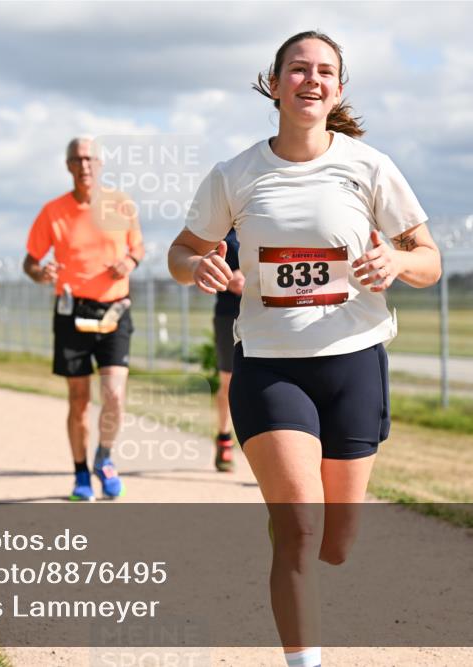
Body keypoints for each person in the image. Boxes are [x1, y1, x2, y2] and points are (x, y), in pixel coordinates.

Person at [167, 31, 441, 667]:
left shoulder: (370, 167)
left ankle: (294, 527)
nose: (311, 80)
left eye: (324, 72)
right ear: (275, 82)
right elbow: (181, 251)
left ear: (338, 89)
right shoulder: (235, 174)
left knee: (335, 544)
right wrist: (196, 266)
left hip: (354, 364)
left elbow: (430, 261)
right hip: (269, 368)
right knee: (299, 526)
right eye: (298, 69)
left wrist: (397, 261)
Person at [23, 136, 144, 501]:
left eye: (90, 158)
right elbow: (30, 261)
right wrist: (40, 272)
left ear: (100, 163)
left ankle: (104, 458)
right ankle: (80, 474)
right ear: (68, 166)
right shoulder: (52, 211)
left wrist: (129, 262)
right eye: (77, 159)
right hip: (71, 311)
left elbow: (137, 247)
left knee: (114, 395)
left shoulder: (121, 204)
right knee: (78, 399)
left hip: (114, 309)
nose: (84, 165)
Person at [211, 228, 244, 472]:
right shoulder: (220, 228)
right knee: (229, 382)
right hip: (228, 314)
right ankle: (224, 437)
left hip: (267, 314)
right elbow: (198, 263)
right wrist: (228, 276)